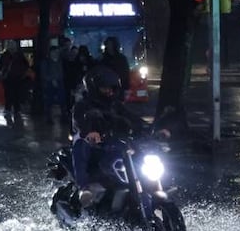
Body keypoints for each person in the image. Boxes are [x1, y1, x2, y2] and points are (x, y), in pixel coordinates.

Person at [71, 65, 166, 207]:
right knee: (80, 145)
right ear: (94, 88)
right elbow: (79, 121)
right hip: (93, 144)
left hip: (113, 143)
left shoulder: (115, 105)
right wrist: (89, 132)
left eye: (112, 88)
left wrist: (152, 130)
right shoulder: (82, 105)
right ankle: (84, 188)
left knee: (139, 153)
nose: (109, 91)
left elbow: (133, 119)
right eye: (105, 88)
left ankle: (155, 187)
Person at [0, 39, 30, 117]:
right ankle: (9, 108)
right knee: (9, 93)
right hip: (8, 77)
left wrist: (21, 72)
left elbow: (26, 64)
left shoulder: (18, 55)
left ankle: (16, 109)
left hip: (17, 77)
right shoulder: (5, 55)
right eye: (10, 45)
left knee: (16, 94)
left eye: (13, 45)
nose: (12, 46)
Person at [98, 36, 131, 100]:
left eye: (111, 44)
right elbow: (99, 71)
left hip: (119, 86)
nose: (110, 46)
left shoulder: (122, 59)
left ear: (115, 45)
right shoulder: (103, 59)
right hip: (106, 87)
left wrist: (126, 88)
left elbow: (126, 73)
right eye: (108, 44)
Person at [41, 46, 66, 123]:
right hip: (50, 83)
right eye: (54, 52)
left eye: (57, 52)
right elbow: (44, 74)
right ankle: (49, 118)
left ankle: (63, 117)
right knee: (49, 101)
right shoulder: (46, 62)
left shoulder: (60, 61)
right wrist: (51, 79)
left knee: (62, 100)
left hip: (60, 82)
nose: (55, 54)